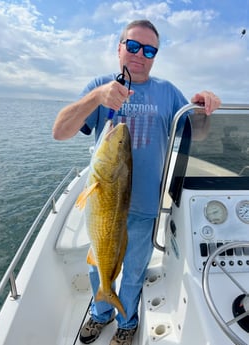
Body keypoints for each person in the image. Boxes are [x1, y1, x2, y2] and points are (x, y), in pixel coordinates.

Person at [53, 19, 221, 345]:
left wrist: (205, 108)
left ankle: (127, 322)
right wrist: (95, 98)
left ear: (155, 55)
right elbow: (60, 132)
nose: (139, 55)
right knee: (98, 265)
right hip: (105, 204)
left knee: (133, 272)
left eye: (149, 49)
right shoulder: (101, 85)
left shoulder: (168, 92)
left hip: (145, 207)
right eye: (132, 46)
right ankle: (101, 313)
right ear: (119, 48)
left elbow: (196, 133)